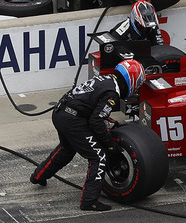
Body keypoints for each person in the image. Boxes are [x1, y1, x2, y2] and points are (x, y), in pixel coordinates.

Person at [30, 60, 146, 211]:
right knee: (99, 156)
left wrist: (111, 124)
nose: (136, 89)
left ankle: (38, 176)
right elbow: (96, 121)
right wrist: (110, 145)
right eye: (137, 84)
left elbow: (91, 109)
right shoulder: (112, 93)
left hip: (61, 113)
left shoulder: (106, 80)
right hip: (72, 119)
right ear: (131, 80)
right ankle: (89, 201)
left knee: (67, 149)